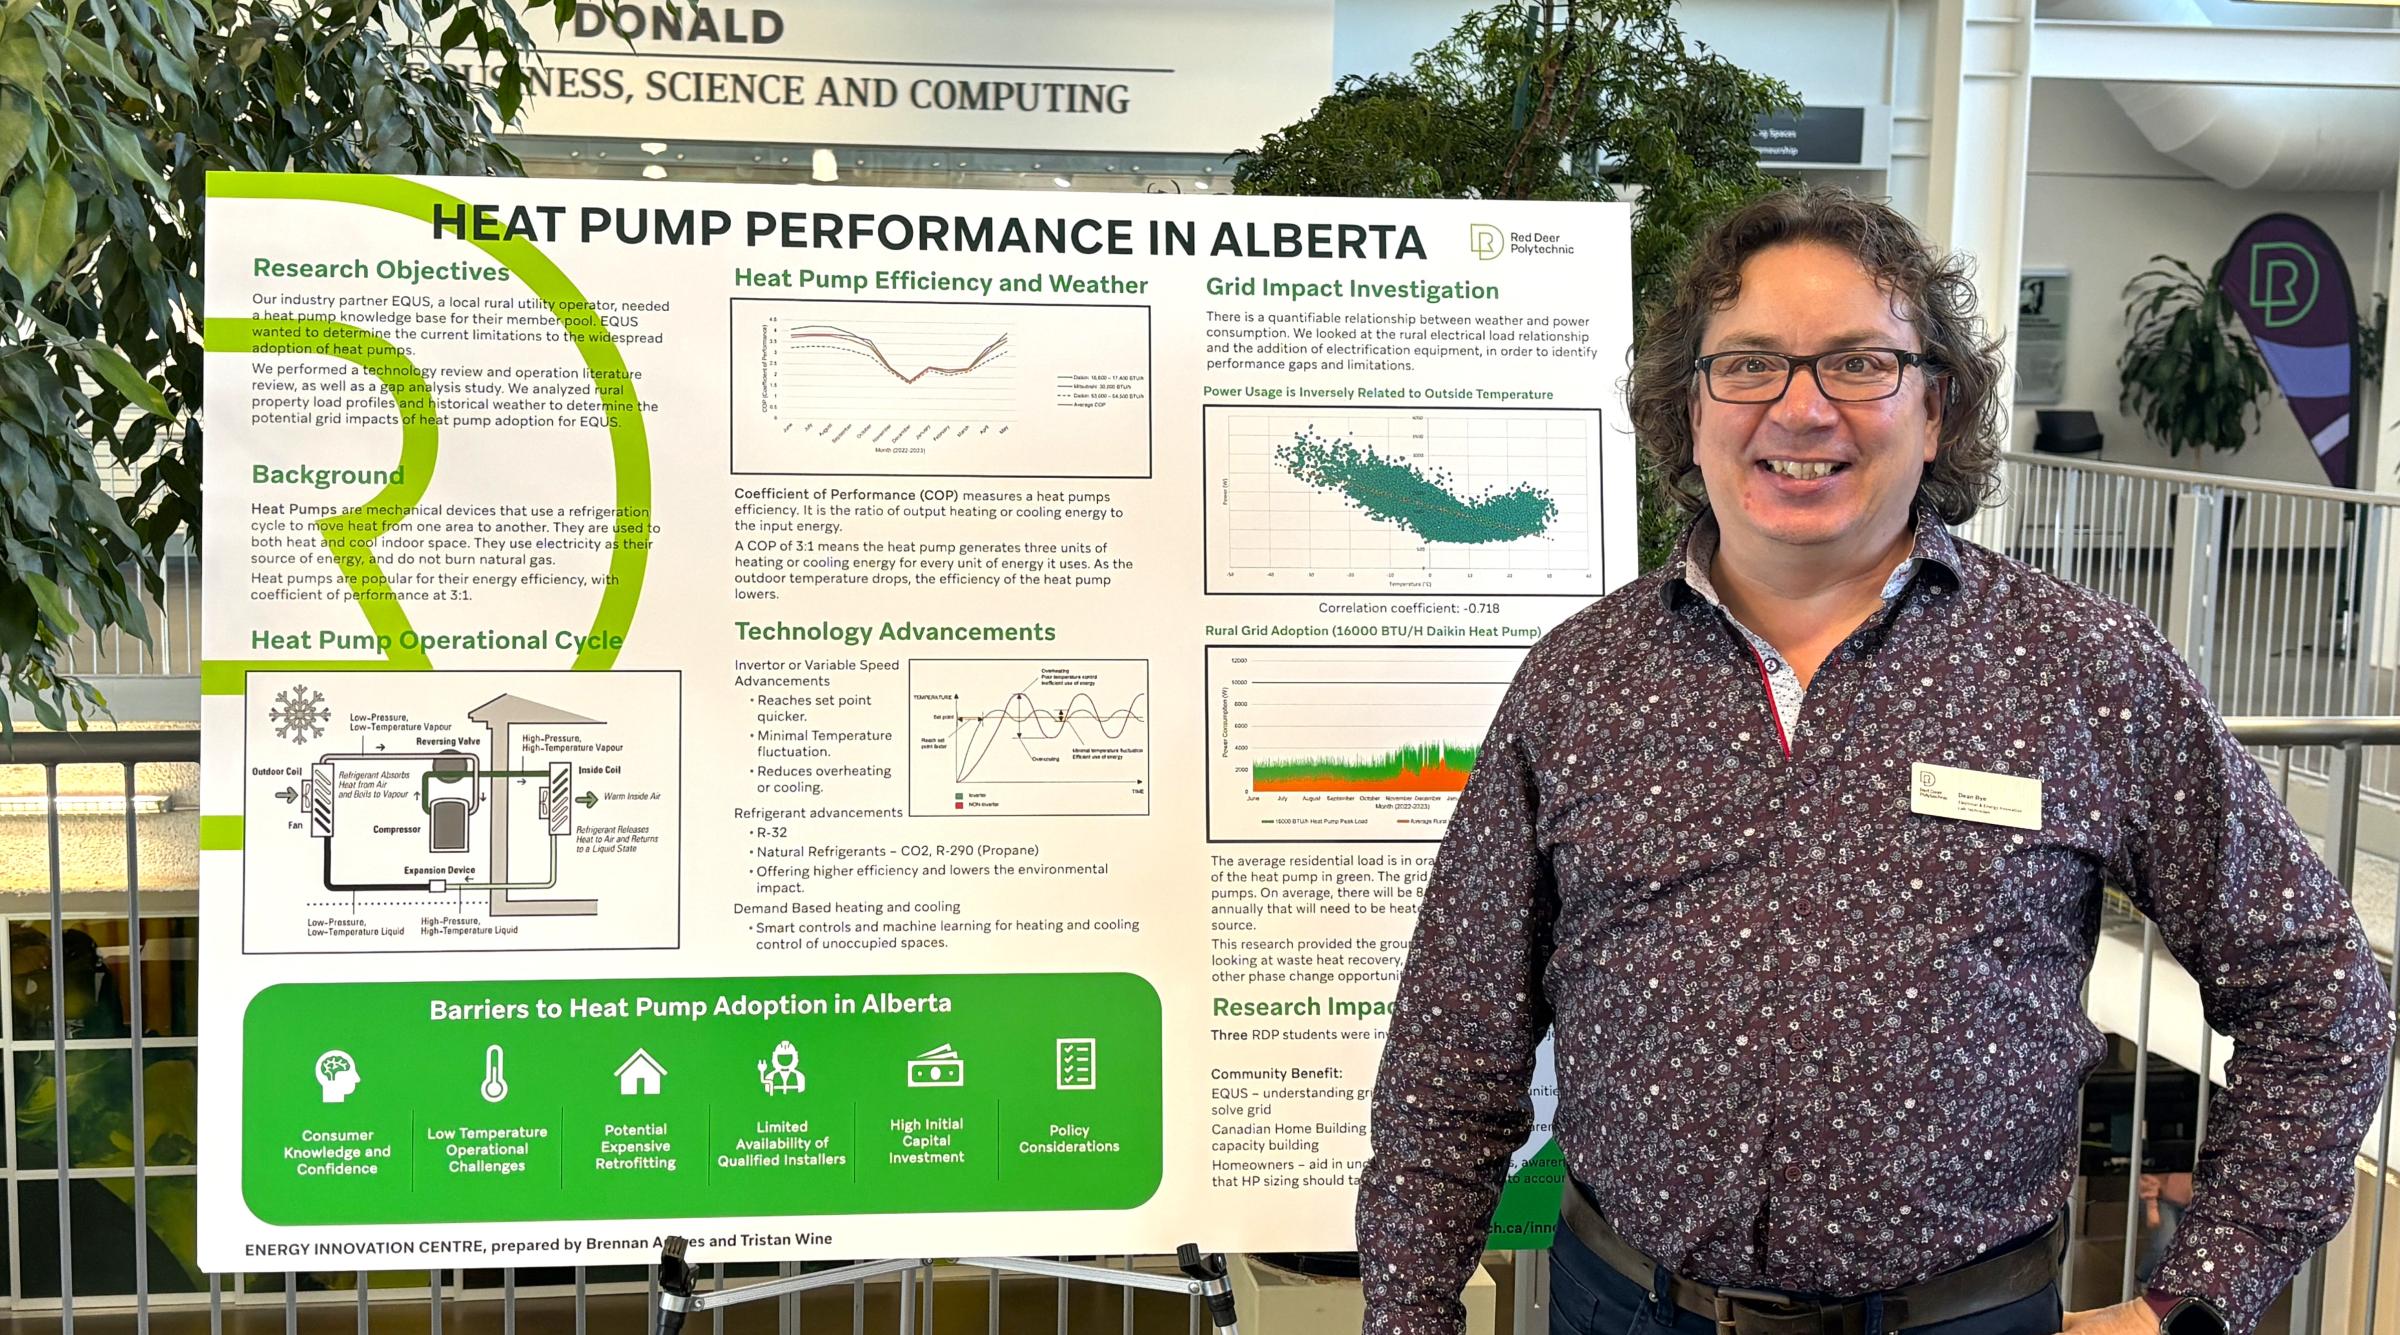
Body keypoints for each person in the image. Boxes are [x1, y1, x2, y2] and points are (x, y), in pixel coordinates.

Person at [1355, 185, 2392, 1335]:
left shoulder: (2083, 671)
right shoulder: (1579, 684)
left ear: (1937, 407)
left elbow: (2324, 1000)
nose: (1801, 412)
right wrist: (1407, 1316)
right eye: (1748, 364)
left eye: (1859, 364)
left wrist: (2193, 1305)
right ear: (1687, 411)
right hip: (1626, 1309)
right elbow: (1452, 1056)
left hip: (1966, 1318)